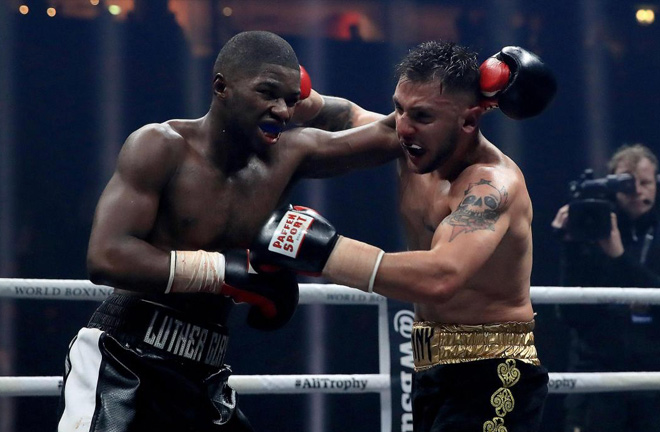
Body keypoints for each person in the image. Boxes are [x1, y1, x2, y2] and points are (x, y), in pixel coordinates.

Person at [56, 30, 401, 432]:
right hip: (123, 360)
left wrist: (470, 97)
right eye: (267, 93)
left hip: (205, 372)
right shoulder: (160, 144)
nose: (283, 111)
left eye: (291, 100)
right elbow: (106, 256)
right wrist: (223, 273)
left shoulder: (289, 155)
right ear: (221, 86)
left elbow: (398, 132)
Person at [249, 41, 556, 432]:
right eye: (399, 108)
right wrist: (292, 94)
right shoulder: (414, 144)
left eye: (422, 115)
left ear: (468, 121)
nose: (402, 127)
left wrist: (322, 249)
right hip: (429, 371)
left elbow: (442, 275)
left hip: (495, 371)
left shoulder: (492, 185)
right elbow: (345, 116)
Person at [551, 143, 660, 432]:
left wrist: (620, 258)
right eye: (626, 183)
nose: (637, 190)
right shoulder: (592, 226)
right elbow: (569, 314)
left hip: (653, 379)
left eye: (645, 182)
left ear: (657, 184)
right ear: (610, 186)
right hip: (596, 374)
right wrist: (571, 246)